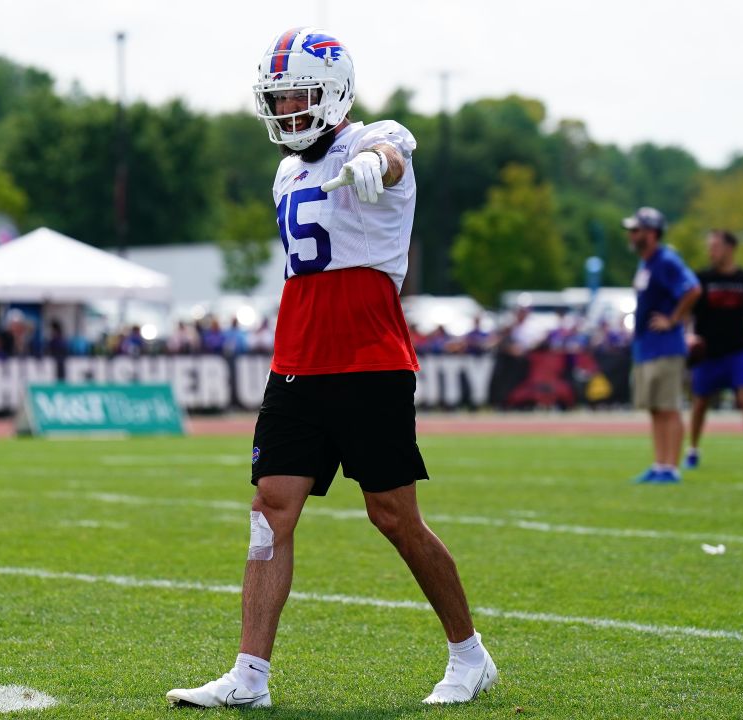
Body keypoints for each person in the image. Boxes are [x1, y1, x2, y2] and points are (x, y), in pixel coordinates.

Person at [167, 27, 497, 709]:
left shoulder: (377, 138)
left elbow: (394, 152)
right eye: (279, 98)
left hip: (369, 358)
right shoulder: (286, 169)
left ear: (335, 92)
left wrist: (379, 162)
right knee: (269, 513)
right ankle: (249, 677)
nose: (288, 110)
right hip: (296, 361)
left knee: (394, 516)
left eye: (300, 96)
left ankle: (470, 655)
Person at [683, 230, 743, 471]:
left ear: (730, 248)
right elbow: (687, 312)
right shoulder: (701, 279)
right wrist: (688, 336)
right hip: (709, 351)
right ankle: (692, 449)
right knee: (701, 402)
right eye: (709, 246)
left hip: (739, 349)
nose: (710, 251)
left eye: (715, 246)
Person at [625, 206, 702, 484]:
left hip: (666, 346)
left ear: (652, 233)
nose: (631, 235)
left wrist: (673, 319)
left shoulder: (666, 260)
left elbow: (692, 288)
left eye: (636, 230)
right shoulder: (646, 263)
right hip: (647, 346)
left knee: (668, 407)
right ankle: (659, 465)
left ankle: (671, 467)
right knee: (655, 408)